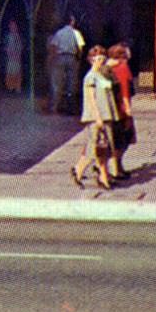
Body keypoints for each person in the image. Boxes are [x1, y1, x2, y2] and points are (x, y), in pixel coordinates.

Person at [71, 44, 116, 191]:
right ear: (91, 60)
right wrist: (97, 117)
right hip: (96, 117)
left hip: (107, 115)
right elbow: (91, 98)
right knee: (93, 149)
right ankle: (78, 170)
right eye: (97, 58)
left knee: (104, 149)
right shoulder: (90, 77)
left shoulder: (101, 76)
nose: (100, 61)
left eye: (103, 58)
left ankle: (103, 177)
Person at [106, 42, 136, 180]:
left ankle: (117, 167)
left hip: (113, 108)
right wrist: (128, 108)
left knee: (117, 139)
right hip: (122, 109)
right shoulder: (123, 68)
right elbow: (125, 89)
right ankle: (116, 168)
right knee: (124, 139)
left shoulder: (110, 68)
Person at [47, 14, 84, 114]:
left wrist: (52, 59)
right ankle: (70, 108)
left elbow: (53, 46)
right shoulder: (76, 33)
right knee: (72, 83)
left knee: (58, 83)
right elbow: (80, 48)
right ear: (71, 22)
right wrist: (78, 59)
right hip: (72, 58)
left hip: (60, 57)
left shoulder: (59, 33)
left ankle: (55, 107)